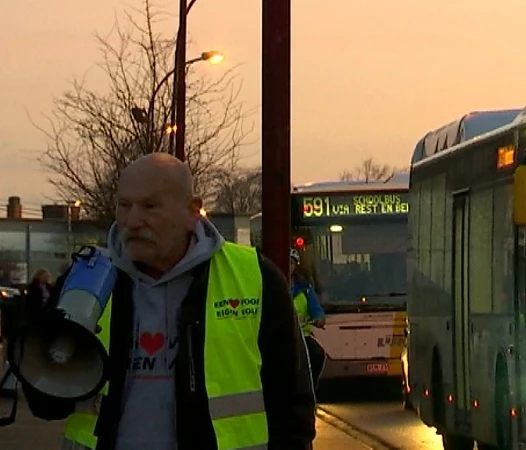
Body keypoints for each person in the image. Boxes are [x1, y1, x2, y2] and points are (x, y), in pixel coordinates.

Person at [23, 153, 316, 450]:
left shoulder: (254, 277)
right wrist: (44, 343)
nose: (132, 221)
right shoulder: (85, 277)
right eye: (124, 205)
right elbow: (46, 404)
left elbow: (292, 405)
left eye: (150, 206)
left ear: (193, 212)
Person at [289, 249, 326, 391]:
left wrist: (319, 318)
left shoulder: (304, 288)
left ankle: (310, 389)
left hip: (301, 337)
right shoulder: (273, 285)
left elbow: (316, 308)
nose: (289, 266)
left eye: (292, 263)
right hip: (281, 338)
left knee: (318, 354)